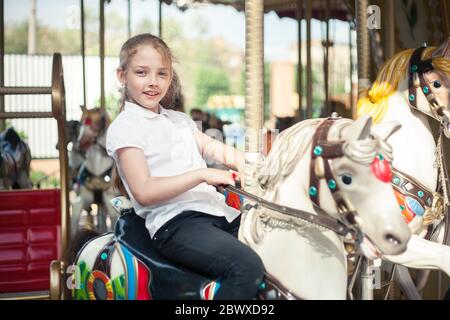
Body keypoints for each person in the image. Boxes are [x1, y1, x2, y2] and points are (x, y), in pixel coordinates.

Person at [106, 33, 265, 300]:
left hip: (217, 212)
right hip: (176, 222)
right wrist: (202, 174)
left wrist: (252, 163)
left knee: (276, 246)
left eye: (162, 74)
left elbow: (213, 147)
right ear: (122, 76)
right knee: (245, 267)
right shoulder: (125, 127)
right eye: (142, 73)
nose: (153, 82)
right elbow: (144, 190)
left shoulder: (179, 120)